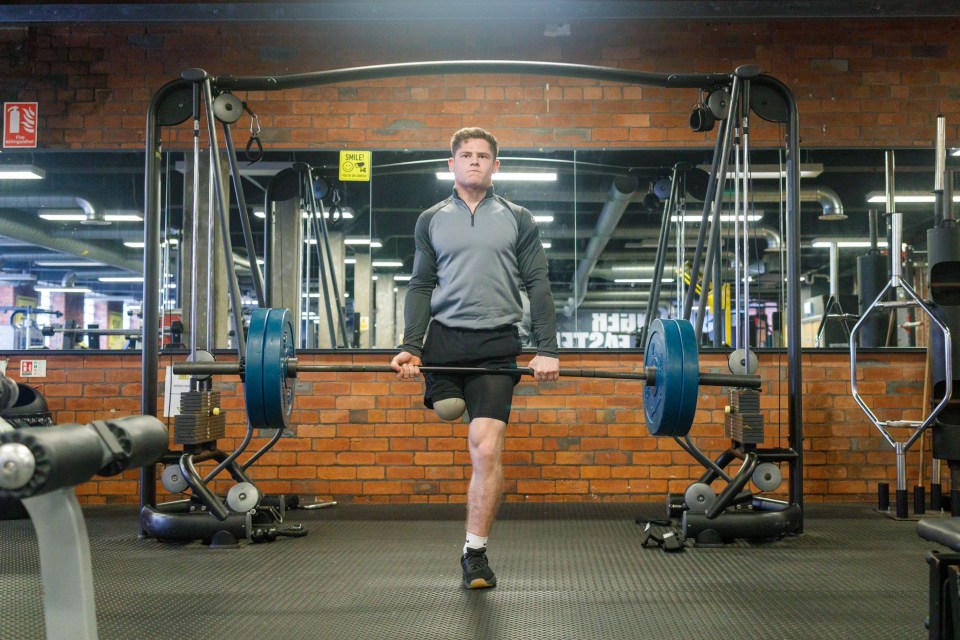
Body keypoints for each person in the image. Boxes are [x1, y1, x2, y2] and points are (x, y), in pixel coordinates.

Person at [390, 127, 560, 589]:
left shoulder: (518, 217)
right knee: (447, 408)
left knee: (485, 448)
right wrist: (412, 345)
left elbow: (538, 285)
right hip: (445, 342)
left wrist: (546, 349)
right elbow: (421, 285)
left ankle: (475, 554)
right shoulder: (431, 219)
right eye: (466, 155)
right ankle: (447, 396)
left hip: (496, 346)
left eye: (484, 156)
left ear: (496, 166)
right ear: (451, 164)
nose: (475, 162)